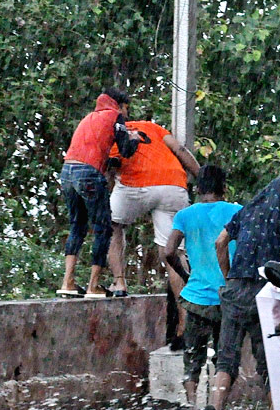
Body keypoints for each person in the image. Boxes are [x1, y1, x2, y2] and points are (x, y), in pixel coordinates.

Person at [205, 175, 280, 410]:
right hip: (265, 293)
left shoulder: (248, 210)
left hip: (235, 288)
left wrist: (229, 276)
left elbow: (220, 242)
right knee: (268, 363)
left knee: (226, 356)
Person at [163, 166, 242, 407]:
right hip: (227, 298)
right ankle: (216, 409)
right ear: (224, 189)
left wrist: (186, 275)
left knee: (192, 357)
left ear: (198, 190)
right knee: (224, 360)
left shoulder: (185, 215)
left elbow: (168, 252)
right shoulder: (237, 212)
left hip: (196, 299)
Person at [58, 87, 140, 297]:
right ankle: (94, 285)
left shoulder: (91, 117)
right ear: (120, 105)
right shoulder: (116, 116)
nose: (127, 115)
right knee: (103, 228)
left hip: (68, 170)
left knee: (77, 225)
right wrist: (135, 139)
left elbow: (97, 152)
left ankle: (67, 282)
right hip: (89, 174)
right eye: (127, 109)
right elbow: (125, 151)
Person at [106, 118, 200, 299]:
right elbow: (180, 150)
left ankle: (119, 282)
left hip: (133, 184)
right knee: (173, 252)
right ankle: (185, 314)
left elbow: (110, 167)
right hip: (172, 184)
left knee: (113, 225)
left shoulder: (111, 133)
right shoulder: (151, 127)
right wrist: (202, 177)